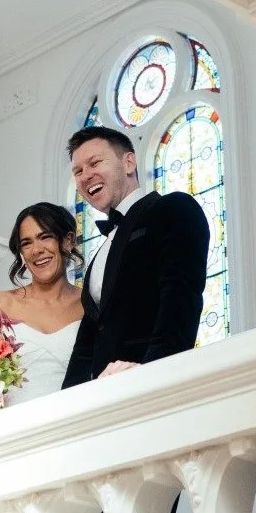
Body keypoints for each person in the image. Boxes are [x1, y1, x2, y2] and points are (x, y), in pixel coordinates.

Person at [62, 125, 209, 388]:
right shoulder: (98, 255)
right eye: (78, 171)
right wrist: (68, 399)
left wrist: (153, 377)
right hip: (100, 398)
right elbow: (87, 339)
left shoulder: (172, 209)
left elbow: (179, 302)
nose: (85, 176)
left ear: (128, 162)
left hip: (151, 386)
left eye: (95, 162)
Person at [0, 202, 84, 412]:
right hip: (12, 429)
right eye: (26, 243)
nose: (36, 250)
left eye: (45, 237)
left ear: (68, 240)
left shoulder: (89, 305)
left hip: (75, 424)